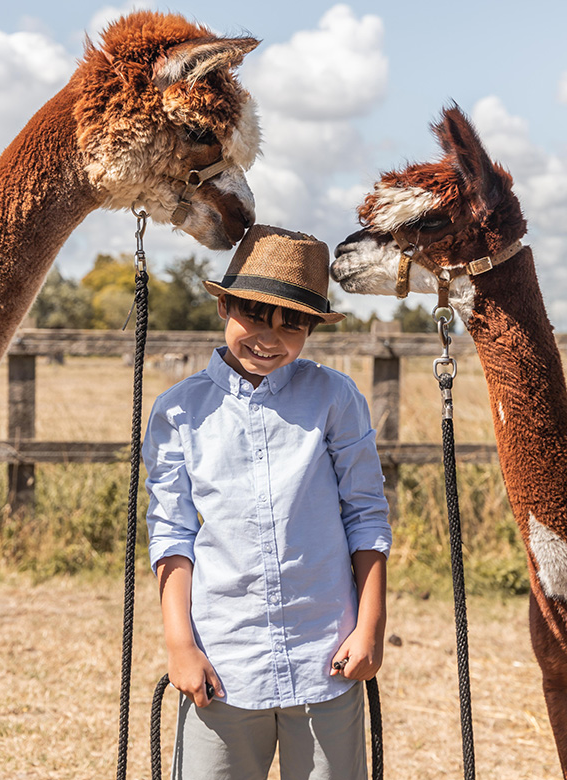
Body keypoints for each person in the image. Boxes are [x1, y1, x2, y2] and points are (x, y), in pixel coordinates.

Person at [142, 224, 392, 780]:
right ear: (225, 305)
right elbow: (172, 533)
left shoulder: (335, 398)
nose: (269, 338)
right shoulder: (178, 412)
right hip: (224, 663)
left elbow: (366, 514)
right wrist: (180, 645)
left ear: (311, 328)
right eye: (254, 315)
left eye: (291, 324)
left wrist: (370, 625)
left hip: (325, 656)